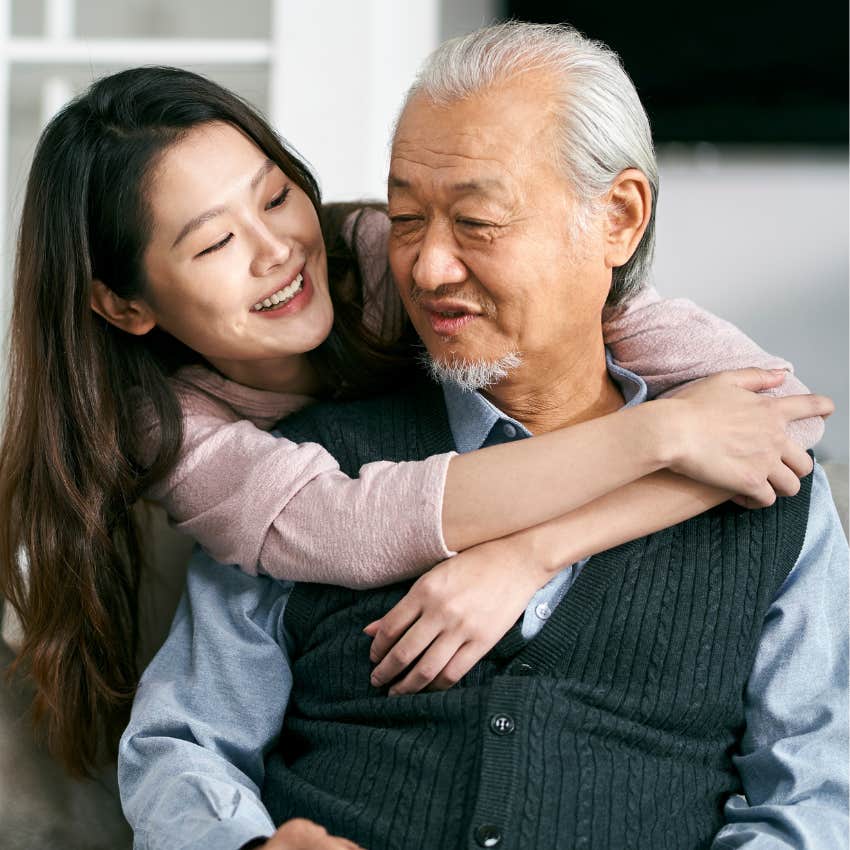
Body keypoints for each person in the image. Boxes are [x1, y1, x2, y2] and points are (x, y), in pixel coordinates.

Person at [117, 23, 848, 850]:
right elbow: (183, 747)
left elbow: (812, 796)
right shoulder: (295, 468)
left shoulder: (769, 490)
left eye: (477, 222)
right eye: (403, 218)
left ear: (618, 218)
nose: (428, 269)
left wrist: (532, 551)